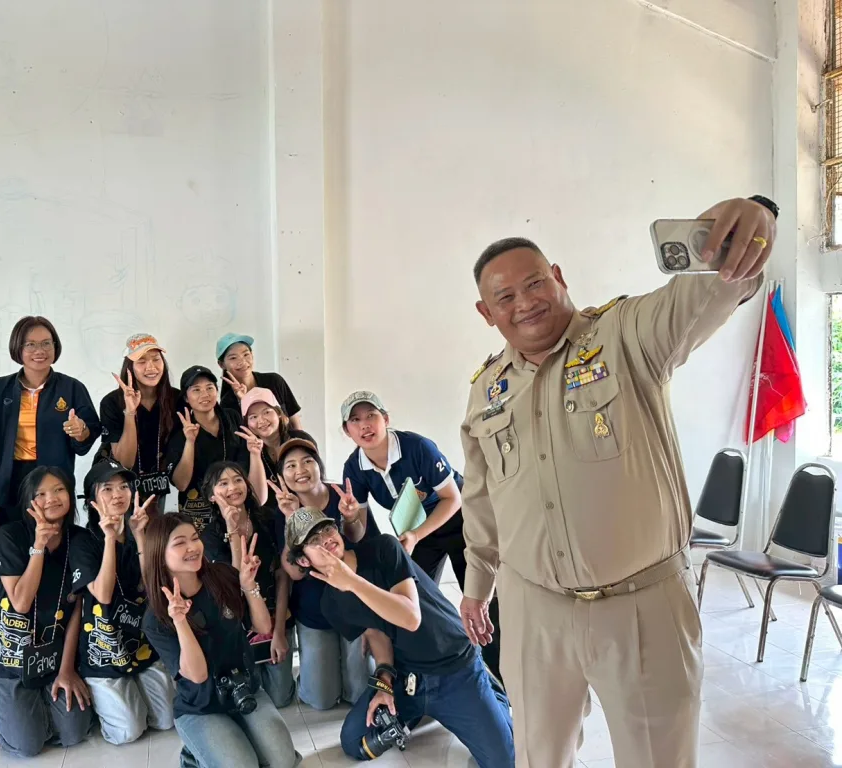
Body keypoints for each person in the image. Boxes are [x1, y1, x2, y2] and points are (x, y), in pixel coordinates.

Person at [459, 196, 778, 768]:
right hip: (533, 609)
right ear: (487, 313)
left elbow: (700, 295)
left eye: (534, 283)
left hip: (641, 605)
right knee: (537, 756)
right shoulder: (488, 388)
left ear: (558, 278)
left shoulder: (626, 334)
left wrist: (750, 224)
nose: (524, 303)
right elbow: (482, 496)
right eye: (505, 297)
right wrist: (477, 584)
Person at [284, 508, 514, 766]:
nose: (326, 538)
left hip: (454, 665)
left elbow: (410, 617)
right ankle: (428, 709)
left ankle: (489, 693)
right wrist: (384, 681)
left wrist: (352, 582)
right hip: (408, 678)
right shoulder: (331, 604)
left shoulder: (384, 548)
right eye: (314, 540)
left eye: (327, 529)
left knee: (504, 761)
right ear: (303, 560)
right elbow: (375, 631)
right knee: (355, 740)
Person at [339, 390, 501, 679]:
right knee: (414, 599)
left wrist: (415, 535)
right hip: (418, 531)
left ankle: (500, 675)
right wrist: (350, 517)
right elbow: (358, 532)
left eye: (371, 415)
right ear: (346, 430)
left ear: (386, 419)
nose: (365, 425)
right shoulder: (354, 468)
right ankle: (435, 669)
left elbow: (453, 499)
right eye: (355, 420)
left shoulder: (417, 447)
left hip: (459, 521)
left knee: (480, 598)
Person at [141, 513, 300, 768]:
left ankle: (231, 742)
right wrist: (180, 621)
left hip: (245, 688)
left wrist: (248, 586)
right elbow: (198, 675)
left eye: (195, 538)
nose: (192, 547)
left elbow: (262, 627)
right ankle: (194, 755)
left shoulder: (222, 575)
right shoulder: (156, 617)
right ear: (159, 554)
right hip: (202, 706)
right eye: (180, 543)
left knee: (283, 760)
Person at [0, 466, 93, 757]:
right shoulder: (9, 536)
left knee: (74, 733)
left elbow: (78, 608)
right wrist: (39, 546)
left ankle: (37, 708)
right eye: (41, 494)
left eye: (59, 490)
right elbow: (20, 603)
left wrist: (67, 669)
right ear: (29, 500)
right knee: (27, 747)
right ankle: (10, 709)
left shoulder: (80, 539)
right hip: (10, 659)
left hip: (53, 658)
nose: (52, 498)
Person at [71, 459, 176, 745]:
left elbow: (151, 586)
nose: (118, 494)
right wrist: (109, 539)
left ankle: (131, 694)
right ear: (92, 499)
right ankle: (106, 702)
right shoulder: (83, 540)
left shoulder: (139, 529)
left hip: (141, 645)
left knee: (167, 720)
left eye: (124, 487)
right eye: (108, 488)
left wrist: (140, 536)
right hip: (104, 651)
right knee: (127, 732)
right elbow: (103, 594)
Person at [267, 438, 375, 710]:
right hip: (315, 612)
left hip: (354, 606)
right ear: (282, 476)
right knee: (321, 700)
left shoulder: (343, 496)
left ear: (319, 465)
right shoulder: (281, 511)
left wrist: (351, 517)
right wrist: (291, 518)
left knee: (360, 694)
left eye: (307, 461)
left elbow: (365, 545)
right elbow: (295, 573)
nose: (300, 470)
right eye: (290, 466)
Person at [0, 316, 101, 524]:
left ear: (55, 346)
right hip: (8, 482)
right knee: (10, 538)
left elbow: (86, 438)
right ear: (17, 348)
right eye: (30, 345)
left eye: (46, 343)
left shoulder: (72, 388)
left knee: (54, 538)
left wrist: (81, 432)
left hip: (54, 484)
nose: (39, 351)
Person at [201, 462, 293, 707]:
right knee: (250, 693)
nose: (233, 487)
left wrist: (279, 631)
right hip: (237, 623)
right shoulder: (209, 536)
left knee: (280, 698)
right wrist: (232, 530)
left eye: (238, 479)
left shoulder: (267, 519)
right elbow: (234, 582)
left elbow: (282, 576)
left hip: (275, 614)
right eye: (223, 483)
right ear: (211, 496)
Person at [163, 365, 266, 531]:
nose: (205, 394)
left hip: (239, 504)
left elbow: (249, 464)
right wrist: (190, 442)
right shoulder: (178, 432)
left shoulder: (233, 418)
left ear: (217, 391)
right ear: (186, 398)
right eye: (196, 390)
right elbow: (181, 484)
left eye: (209, 388)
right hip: (200, 513)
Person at [97, 333, 183, 513]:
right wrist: (130, 412)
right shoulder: (112, 403)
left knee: (154, 528)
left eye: (156, 359)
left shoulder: (176, 399)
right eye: (141, 361)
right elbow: (124, 462)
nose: (151, 367)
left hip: (157, 484)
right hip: (119, 485)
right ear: (130, 367)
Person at [216, 333, 303, 429]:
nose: (242, 362)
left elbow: (295, 421)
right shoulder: (227, 403)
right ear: (221, 364)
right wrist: (243, 401)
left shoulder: (274, 381)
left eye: (246, 354)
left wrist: (299, 438)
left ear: (252, 355)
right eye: (233, 358)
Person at [239, 388, 315, 486]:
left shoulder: (301, 439)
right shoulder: (246, 451)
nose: (261, 421)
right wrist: (255, 455)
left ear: (278, 413)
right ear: (247, 424)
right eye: (253, 417)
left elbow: (315, 479)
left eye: (266, 412)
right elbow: (253, 492)